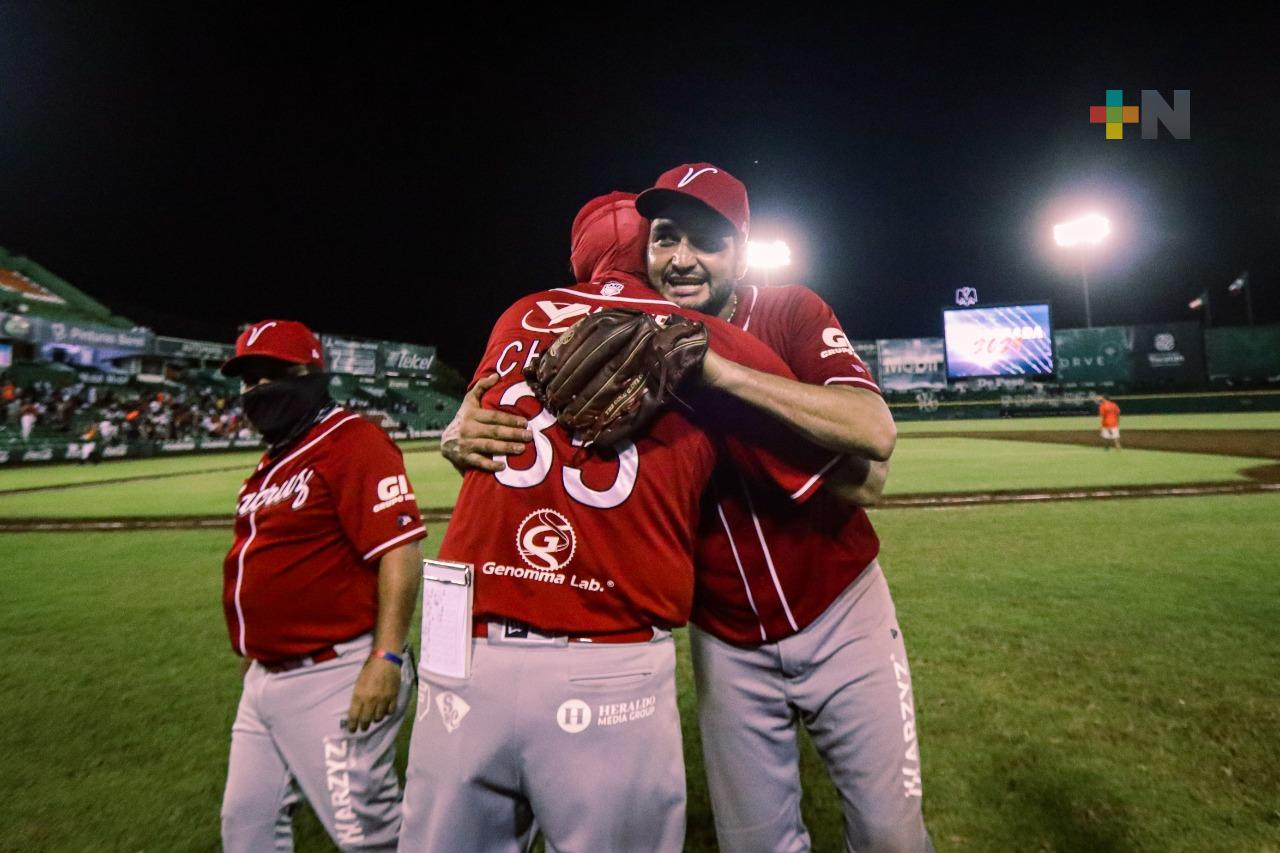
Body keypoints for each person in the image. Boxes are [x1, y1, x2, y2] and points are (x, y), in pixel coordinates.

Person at [450, 166, 932, 852]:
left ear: (741, 249)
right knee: (755, 844)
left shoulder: (789, 310)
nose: (681, 259)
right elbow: (529, 428)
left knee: (891, 835)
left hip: (838, 608)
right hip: (725, 634)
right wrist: (459, 430)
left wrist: (715, 367)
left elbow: (871, 455)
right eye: (666, 238)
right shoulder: (626, 339)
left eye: (705, 241)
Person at [218, 319, 425, 853]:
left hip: (337, 672)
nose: (255, 391)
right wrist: (258, 651)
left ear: (307, 375)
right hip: (267, 677)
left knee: (366, 836)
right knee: (248, 826)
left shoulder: (351, 441)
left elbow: (398, 551)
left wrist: (387, 657)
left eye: (268, 375)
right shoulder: (274, 459)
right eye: (246, 381)